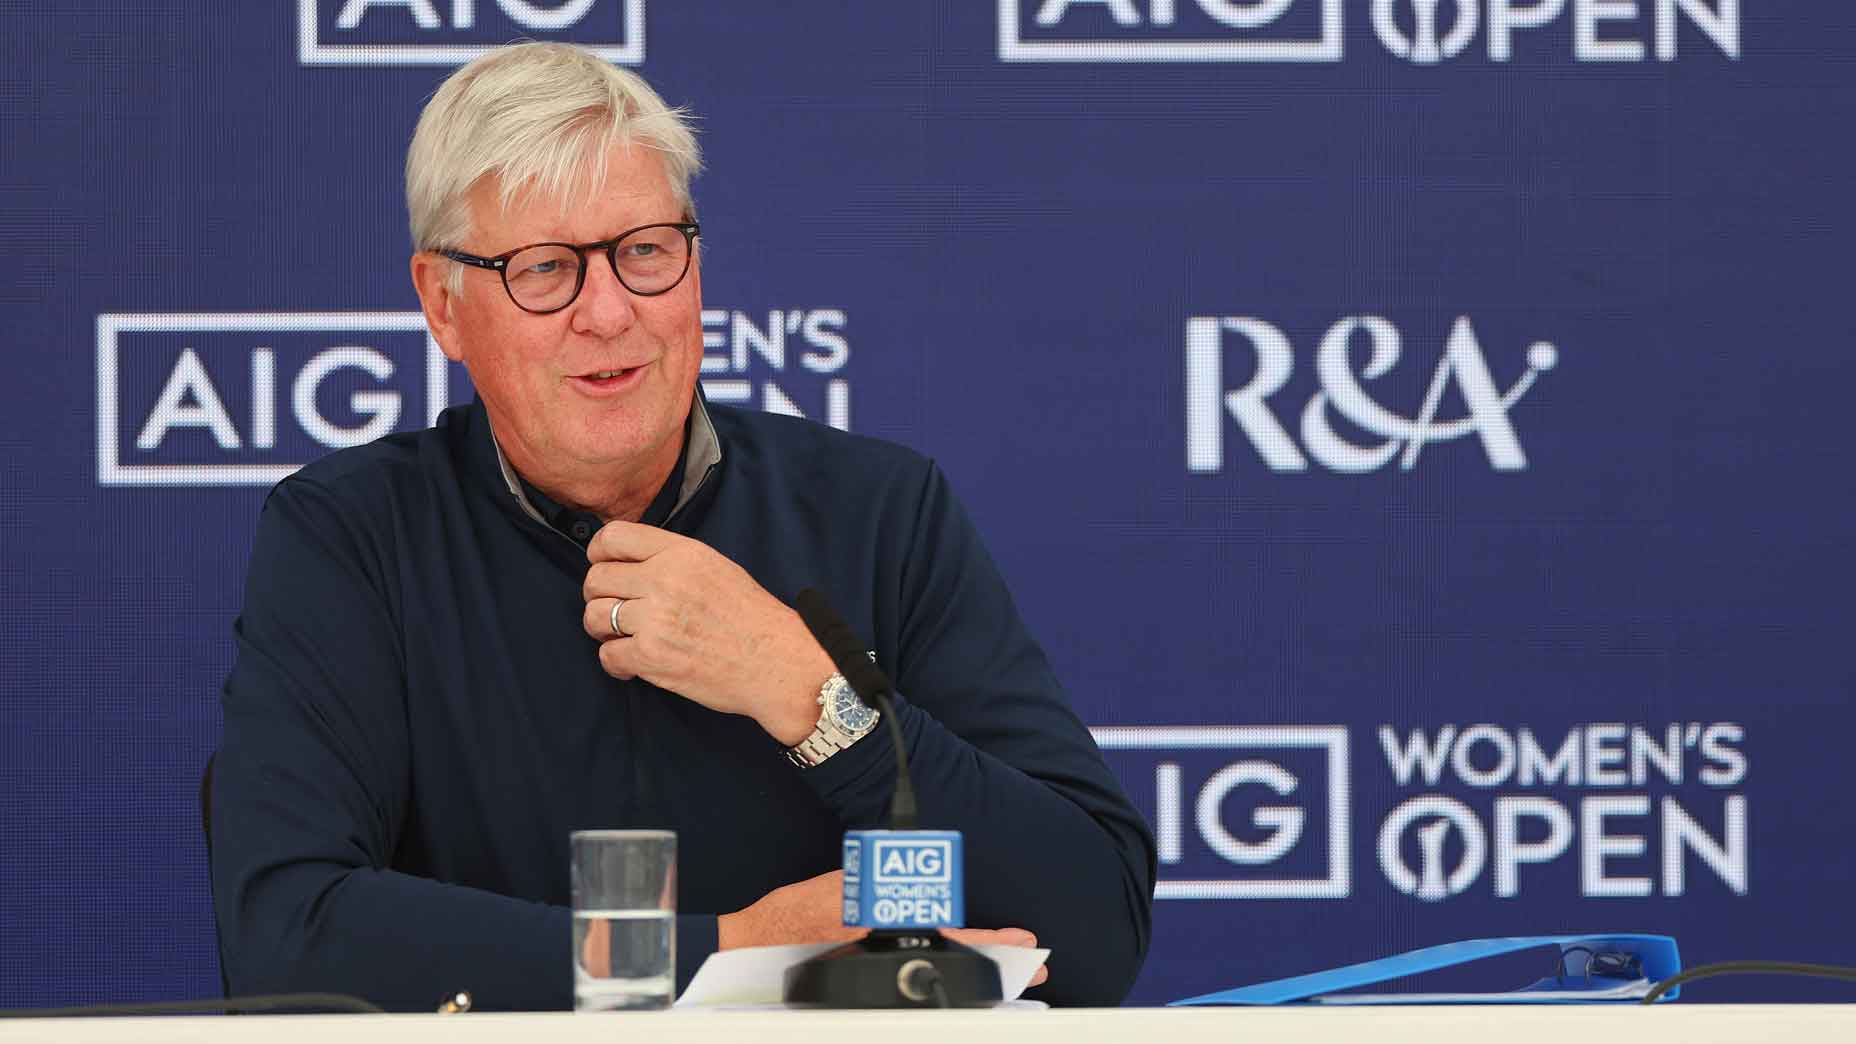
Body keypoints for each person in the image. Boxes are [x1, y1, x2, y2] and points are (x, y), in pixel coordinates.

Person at [209, 41, 1154, 1012]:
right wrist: (730, 952)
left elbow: (1092, 933)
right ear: (442, 305)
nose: (610, 312)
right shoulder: (353, 536)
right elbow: (285, 940)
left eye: (645, 252)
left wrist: (809, 691)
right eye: (543, 270)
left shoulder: (878, 511)